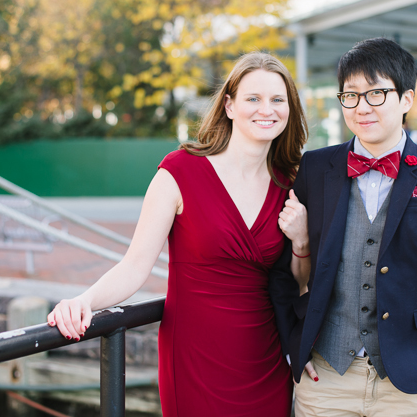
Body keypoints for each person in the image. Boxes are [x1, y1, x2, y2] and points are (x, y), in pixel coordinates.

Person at [48, 52, 308, 417]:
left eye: (277, 100)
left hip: (264, 359)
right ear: (230, 106)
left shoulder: (291, 183)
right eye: (254, 98)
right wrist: (85, 301)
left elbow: (298, 282)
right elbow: (135, 266)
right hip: (194, 357)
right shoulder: (179, 171)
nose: (267, 109)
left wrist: (301, 242)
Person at [270, 38, 417, 417]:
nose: (362, 107)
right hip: (326, 379)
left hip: (413, 383)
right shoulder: (314, 168)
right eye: (351, 96)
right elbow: (281, 274)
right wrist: (294, 348)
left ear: (406, 99)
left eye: (376, 94)